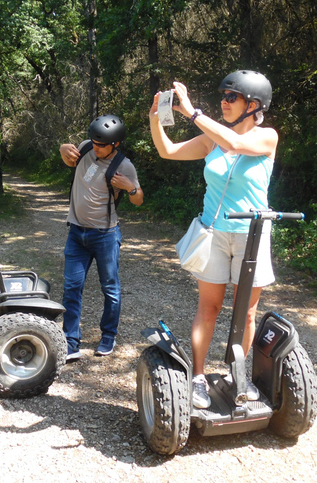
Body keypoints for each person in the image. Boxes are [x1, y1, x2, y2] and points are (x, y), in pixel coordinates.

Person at [149, 71, 278, 408]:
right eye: (222, 95)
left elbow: (235, 143)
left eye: (231, 97)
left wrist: (192, 111)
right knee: (208, 308)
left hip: (252, 235)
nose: (224, 101)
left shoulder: (267, 137)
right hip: (214, 233)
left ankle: (238, 373)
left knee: (246, 313)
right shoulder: (211, 139)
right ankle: (198, 377)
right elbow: (168, 151)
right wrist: (155, 120)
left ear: (253, 105)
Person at [59, 114, 144, 360]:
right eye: (94, 142)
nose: (96, 147)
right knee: (72, 288)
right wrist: (63, 147)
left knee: (110, 288)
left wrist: (131, 187)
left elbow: (138, 200)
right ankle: (70, 341)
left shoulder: (124, 165)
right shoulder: (86, 148)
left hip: (105, 236)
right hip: (76, 233)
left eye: (101, 145)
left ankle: (108, 336)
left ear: (115, 144)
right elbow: (68, 158)